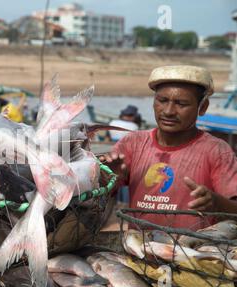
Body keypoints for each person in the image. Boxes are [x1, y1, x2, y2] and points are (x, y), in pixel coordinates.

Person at [100, 65, 237, 229]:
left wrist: (215, 202)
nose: (169, 111)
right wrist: (108, 177)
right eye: (162, 101)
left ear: (203, 107)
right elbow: (100, 195)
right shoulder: (132, 143)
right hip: (137, 248)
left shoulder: (217, 150)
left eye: (181, 103)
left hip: (192, 251)